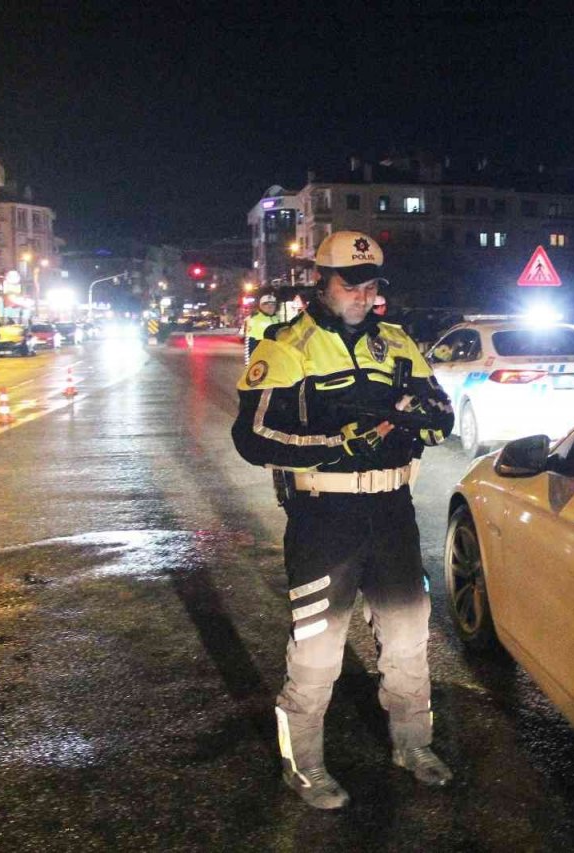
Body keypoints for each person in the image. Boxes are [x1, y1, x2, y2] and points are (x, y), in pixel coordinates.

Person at [231, 230, 456, 810]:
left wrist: (425, 420)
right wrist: (338, 442)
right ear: (320, 283)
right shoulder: (287, 345)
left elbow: (439, 411)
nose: (363, 295)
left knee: (409, 639)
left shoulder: (399, 343)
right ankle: (302, 764)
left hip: (392, 511)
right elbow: (253, 436)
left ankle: (414, 746)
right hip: (324, 515)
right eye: (350, 284)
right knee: (316, 649)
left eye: (371, 284)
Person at [244, 290, 281, 362]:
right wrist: (249, 364)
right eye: (266, 304)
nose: (270, 307)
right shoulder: (254, 320)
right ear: (261, 306)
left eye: (273, 304)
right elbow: (249, 344)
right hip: (261, 357)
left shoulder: (276, 319)